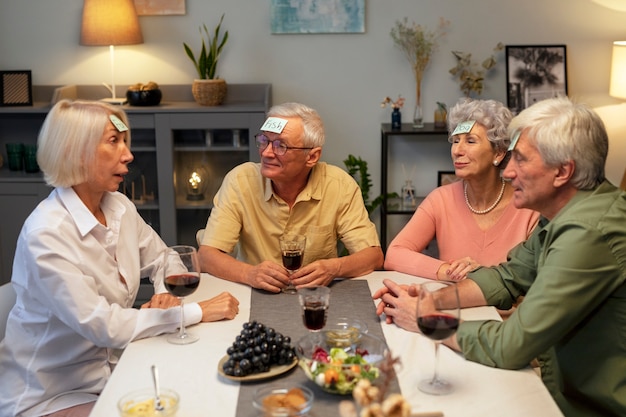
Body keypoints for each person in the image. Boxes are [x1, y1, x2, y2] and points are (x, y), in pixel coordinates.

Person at [374, 97, 626, 417]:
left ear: (563, 171)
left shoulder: (589, 233)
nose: (508, 171)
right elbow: (507, 276)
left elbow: (512, 345)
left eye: (520, 159)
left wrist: (427, 321)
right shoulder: (563, 214)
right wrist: (431, 300)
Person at [0, 100, 240, 417]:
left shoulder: (119, 207)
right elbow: (104, 326)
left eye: (125, 141)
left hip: (115, 370)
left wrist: (166, 294)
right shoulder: (46, 236)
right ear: (75, 151)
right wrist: (196, 311)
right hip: (51, 395)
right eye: (114, 141)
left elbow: (164, 258)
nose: (128, 154)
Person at [198, 102, 384, 293]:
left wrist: (334, 268)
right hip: (252, 294)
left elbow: (373, 257)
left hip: (315, 296)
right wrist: (250, 273)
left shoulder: (339, 185)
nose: (266, 153)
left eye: (281, 145)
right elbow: (207, 256)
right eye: (264, 141)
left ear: (312, 157)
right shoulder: (240, 181)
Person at [384, 98, 539, 281]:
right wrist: (449, 272)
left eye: (470, 141)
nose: (457, 150)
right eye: (456, 141)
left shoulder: (529, 207)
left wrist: (482, 277)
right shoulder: (440, 200)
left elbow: (538, 282)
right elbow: (394, 254)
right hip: (454, 307)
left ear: (498, 152)